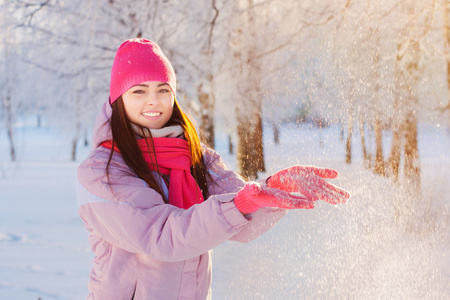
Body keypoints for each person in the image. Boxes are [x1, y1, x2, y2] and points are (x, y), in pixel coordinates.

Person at [76, 38, 350, 300]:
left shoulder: (194, 156)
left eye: (163, 89)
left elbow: (242, 223)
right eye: (139, 91)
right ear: (118, 99)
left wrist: (274, 190)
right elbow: (162, 236)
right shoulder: (102, 172)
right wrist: (240, 204)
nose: (154, 101)